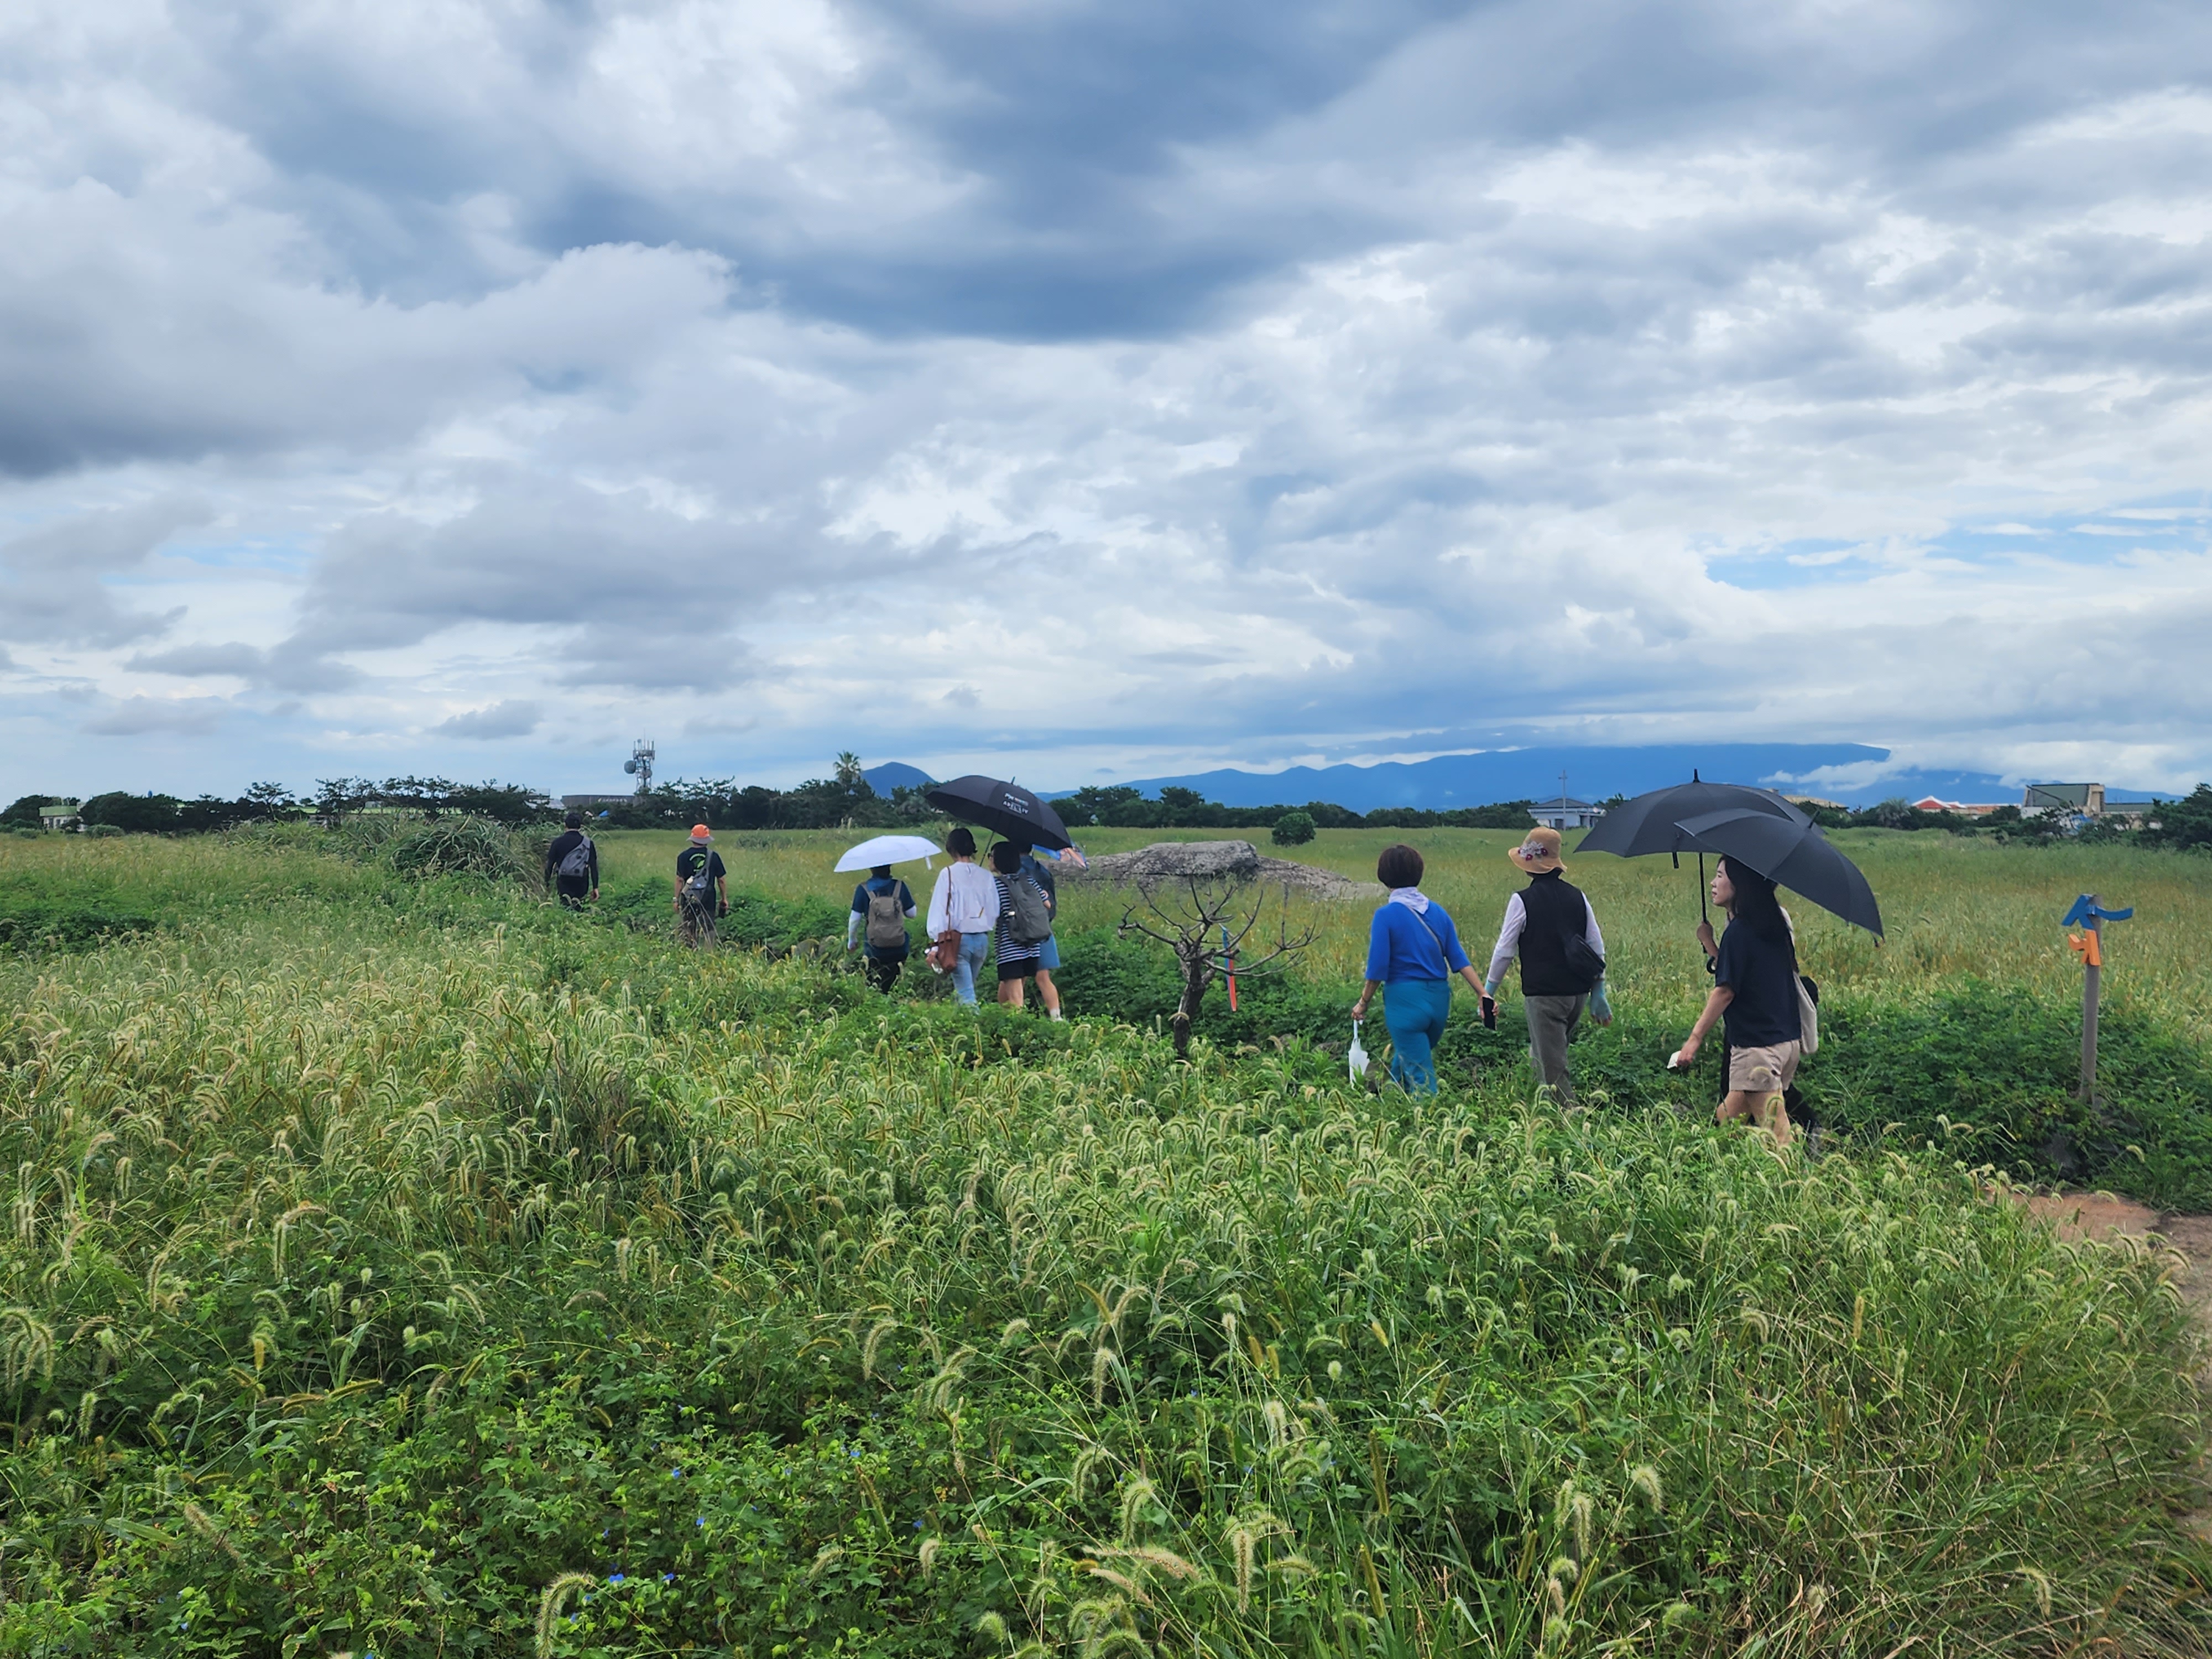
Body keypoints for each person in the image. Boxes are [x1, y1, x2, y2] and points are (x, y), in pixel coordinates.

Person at [1671, 855, 1801, 1150]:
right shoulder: (1773, 925)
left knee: (1779, 1139)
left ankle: (1797, 1178)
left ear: (1740, 884)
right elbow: (1748, 975)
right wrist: (1710, 944)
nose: (1713, 883)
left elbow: (1726, 991)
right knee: (1728, 1118)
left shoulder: (1740, 932)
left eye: (1720, 876)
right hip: (1785, 1042)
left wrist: (1694, 1039)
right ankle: (1705, 1161)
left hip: (1757, 1049)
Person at [1481, 826, 1612, 1103]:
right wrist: (1598, 991)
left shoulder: (1522, 900)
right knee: (1544, 1053)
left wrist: (1488, 991)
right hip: (1577, 995)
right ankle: (1536, 1103)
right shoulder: (1578, 896)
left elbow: (1504, 951)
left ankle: (1568, 1117)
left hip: (1545, 997)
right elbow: (1596, 945)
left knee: (1553, 1070)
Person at [1349, 844, 1484, 1093]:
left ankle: (1430, 1115)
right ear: (1418, 872)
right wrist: (1482, 993)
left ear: (1384, 875)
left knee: (1421, 1077)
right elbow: (1459, 959)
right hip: (1439, 1001)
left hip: (1405, 1002)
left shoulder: (1385, 915)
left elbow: (1377, 968)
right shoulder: (1439, 913)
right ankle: (1390, 1096)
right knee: (1410, 1056)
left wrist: (1363, 1002)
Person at [925, 827, 1000, 1005]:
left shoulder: (948, 874)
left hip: (958, 941)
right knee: (967, 988)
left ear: (951, 849)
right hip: (982, 940)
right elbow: (994, 910)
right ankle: (963, 1020)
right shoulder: (986, 876)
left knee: (966, 994)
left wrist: (935, 944)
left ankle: (976, 1022)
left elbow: (940, 910)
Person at [989, 841, 1054, 1011]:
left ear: (998, 860)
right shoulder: (1029, 880)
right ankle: (1000, 1018)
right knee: (1007, 994)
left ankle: (1020, 1025)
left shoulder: (995, 885)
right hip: (1032, 946)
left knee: (1016, 1000)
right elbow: (1047, 904)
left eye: (991, 856)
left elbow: (990, 912)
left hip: (1010, 948)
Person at [847, 863, 917, 992]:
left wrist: (852, 940)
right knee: (893, 984)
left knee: (873, 984)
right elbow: (912, 914)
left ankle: (876, 1000)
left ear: (872, 869)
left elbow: (854, 920)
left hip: (875, 948)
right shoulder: (900, 886)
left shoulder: (863, 889)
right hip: (899, 947)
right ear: (889, 867)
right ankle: (892, 999)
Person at [1016, 844, 1066, 1019]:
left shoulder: (1016, 871)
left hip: (1023, 931)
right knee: (1044, 977)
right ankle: (1056, 1017)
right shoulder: (1043, 871)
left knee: (1016, 977)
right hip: (1043, 928)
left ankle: (1011, 1016)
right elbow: (1052, 904)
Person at [673, 825, 728, 945]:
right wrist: (724, 899)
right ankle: (709, 950)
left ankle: (690, 950)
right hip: (708, 896)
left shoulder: (683, 856)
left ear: (693, 839)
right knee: (709, 926)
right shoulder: (714, 856)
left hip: (689, 896)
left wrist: (676, 900)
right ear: (707, 840)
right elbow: (721, 880)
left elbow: (680, 880)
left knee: (689, 926)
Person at [543, 811, 599, 909]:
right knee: (579, 905)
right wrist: (595, 887)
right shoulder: (588, 843)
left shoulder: (557, 842)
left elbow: (550, 865)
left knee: (565, 906)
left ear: (565, 825)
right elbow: (594, 867)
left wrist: (547, 882)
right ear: (580, 826)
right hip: (581, 880)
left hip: (564, 880)